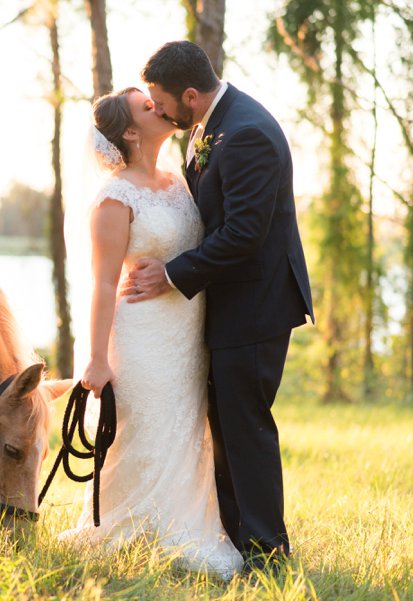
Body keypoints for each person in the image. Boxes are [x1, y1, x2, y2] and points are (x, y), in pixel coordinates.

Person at [123, 41, 314, 572]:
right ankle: (236, 540)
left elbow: (244, 235)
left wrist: (171, 273)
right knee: (228, 424)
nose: (159, 112)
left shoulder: (246, 131)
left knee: (244, 426)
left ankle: (267, 554)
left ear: (190, 94)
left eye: (162, 104)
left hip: (256, 305)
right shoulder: (213, 124)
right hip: (233, 303)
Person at [58, 84, 243, 579]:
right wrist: (96, 360)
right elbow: (101, 286)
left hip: (184, 333)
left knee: (183, 427)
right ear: (131, 133)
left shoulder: (179, 180)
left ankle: (186, 522)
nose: (160, 108)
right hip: (139, 336)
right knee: (146, 428)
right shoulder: (114, 199)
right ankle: (133, 529)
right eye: (148, 107)